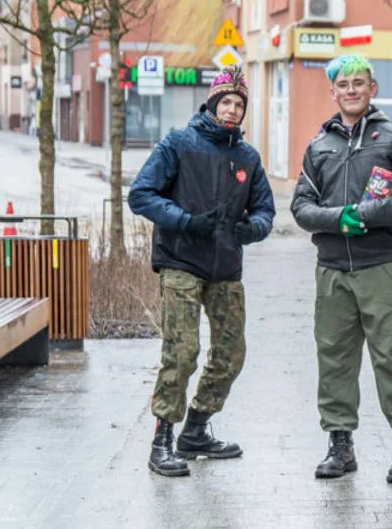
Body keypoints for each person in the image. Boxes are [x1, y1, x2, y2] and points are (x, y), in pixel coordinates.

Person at [129, 64, 276, 477]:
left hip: (226, 266)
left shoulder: (247, 157)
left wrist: (256, 228)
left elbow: (265, 208)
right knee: (182, 350)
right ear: (211, 103)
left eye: (238, 104)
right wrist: (185, 220)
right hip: (181, 261)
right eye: (225, 102)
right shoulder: (179, 143)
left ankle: (195, 429)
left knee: (231, 353)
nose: (232, 110)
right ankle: (162, 439)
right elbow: (140, 195)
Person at [290, 54, 392, 484]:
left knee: (391, 356)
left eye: (359, 83)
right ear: (332, 92)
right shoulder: (319, 146)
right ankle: (340, 445)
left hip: (382, 266)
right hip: (332, 269)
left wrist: (369, 214)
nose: (351, 90)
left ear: (372, 89)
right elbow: (300, 206)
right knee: (334, 358)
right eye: (343, 84)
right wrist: (338, 219)